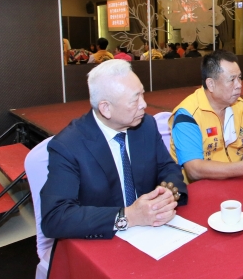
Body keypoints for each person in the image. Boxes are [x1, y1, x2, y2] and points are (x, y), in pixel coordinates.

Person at [41, 60, 187, 243]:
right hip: (101, 240)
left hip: (152, 232)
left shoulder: (146, 126)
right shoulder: (68, 146)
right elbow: (55, 217)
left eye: (142, 94)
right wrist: (129, 216)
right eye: (135, 100)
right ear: (106, 108)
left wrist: (167, 194)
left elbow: (167, 167)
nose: (143, 104)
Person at [169, 50, 243, 183]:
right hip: (202, 188)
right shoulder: (187, 115)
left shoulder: (239, 106)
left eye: (239, 78)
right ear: (211, 84)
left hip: (236, 180)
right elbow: (194, 169)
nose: (239, 85)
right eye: (232, 80)